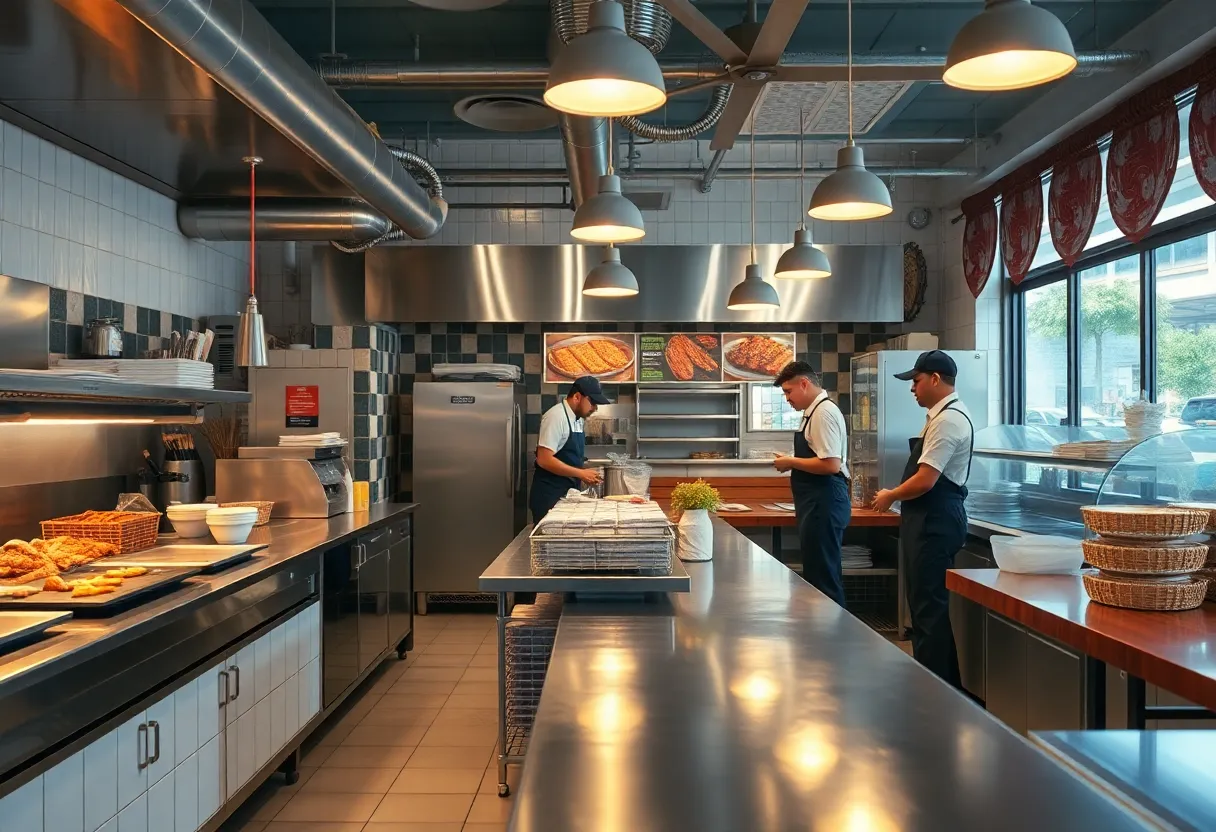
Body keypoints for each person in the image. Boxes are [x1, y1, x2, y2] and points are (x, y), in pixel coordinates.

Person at [870, 350, 974, 687]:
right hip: (927, 518)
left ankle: (939, 692)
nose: (912, 388)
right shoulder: (938, 416)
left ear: (935, 379)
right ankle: (937, 686)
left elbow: (926, 479)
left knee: (928, 612)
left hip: (935, 520)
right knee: (923, 608)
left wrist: (891, 495)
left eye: (915, 381)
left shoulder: (949, 420)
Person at [773, 361, 850, 607]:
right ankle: (826, 637)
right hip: (817, 503)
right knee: (818, 574)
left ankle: (833, 640)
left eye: (788, 391)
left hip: (824, 502)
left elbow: (831, 465)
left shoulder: (823, 413)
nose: (787, 398)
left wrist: (792, 462)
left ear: (804, 384)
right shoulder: (813, 413)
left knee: (824, 579)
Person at [529, 375, 607, 524]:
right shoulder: (556, 417)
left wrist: (586, 472)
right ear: (577, 397)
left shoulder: (577, 418)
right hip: (550, 497)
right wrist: (581, 473)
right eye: (592, 402)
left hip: (566, 494)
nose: (595, 408)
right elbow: (544, 460)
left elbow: (568, 456)